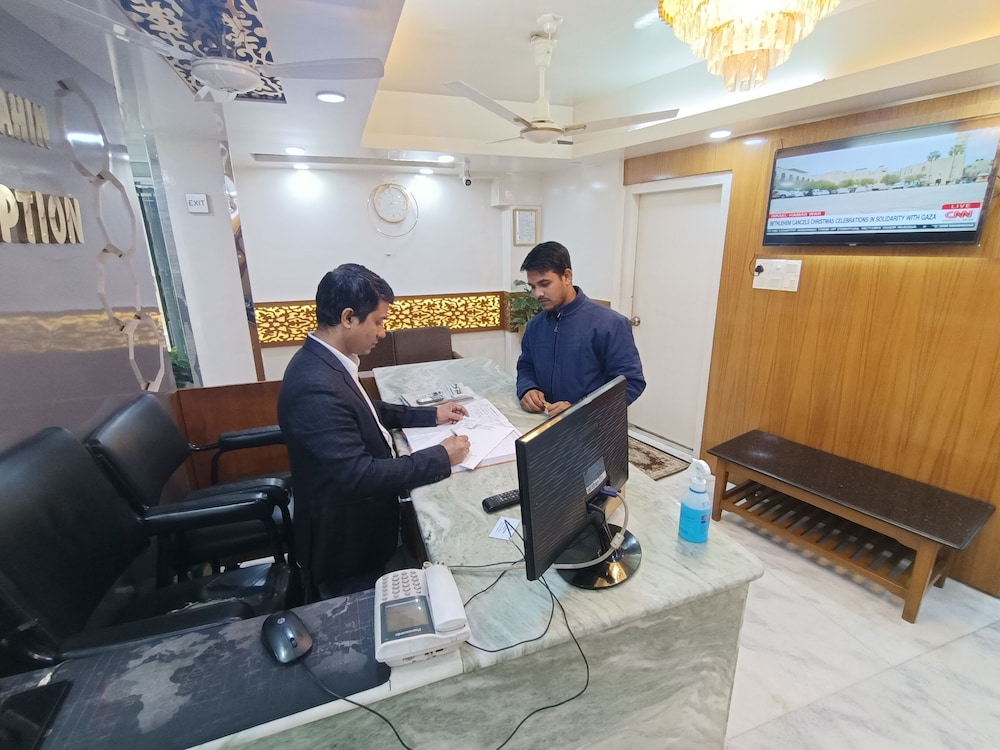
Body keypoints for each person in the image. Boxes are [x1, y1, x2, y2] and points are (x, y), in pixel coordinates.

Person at [278, 264, 471, 598]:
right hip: (347, 548)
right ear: (348, 317)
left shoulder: (328, 361)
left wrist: (431, 414)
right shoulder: (314, 384)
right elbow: (360, 475)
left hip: (361, 528)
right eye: (379, 321)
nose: (383, 333)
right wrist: (441, 456)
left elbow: (366, 410)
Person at [516, 241, 645, 417]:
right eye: (533, 286)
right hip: (544, 423)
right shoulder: (535, 326)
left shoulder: (609, 324)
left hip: (593, 426)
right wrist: (527, 388)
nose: (537, 293)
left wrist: (582, 409)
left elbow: (631, 382)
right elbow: (526, 367)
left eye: (544, 283)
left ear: (567, 276)